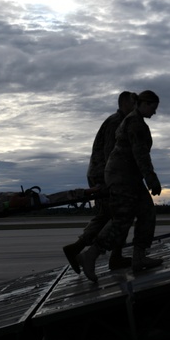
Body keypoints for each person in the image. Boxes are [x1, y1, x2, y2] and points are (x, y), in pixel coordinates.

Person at [77, 90, 164, 282]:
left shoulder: (134, 121)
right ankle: (90, 255)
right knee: (122, 218)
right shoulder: (134, 123)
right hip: (121, 177)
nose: (155, 112)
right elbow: (140, 154)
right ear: (143, 104)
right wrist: (152, 179)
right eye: (153, 107)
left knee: (147, 212)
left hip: (127, 176)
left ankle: (139, 257)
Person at [62, 91, 137, 273]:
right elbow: (110, 153)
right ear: (125, 104)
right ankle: (94, 252)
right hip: (104, 176)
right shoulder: (116, 122)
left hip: (102, 174)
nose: (136, 107)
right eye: (134, 103)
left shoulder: (119, 121)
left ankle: (79, 249)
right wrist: (112, 180)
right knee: (119, 214)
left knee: (108, 215)